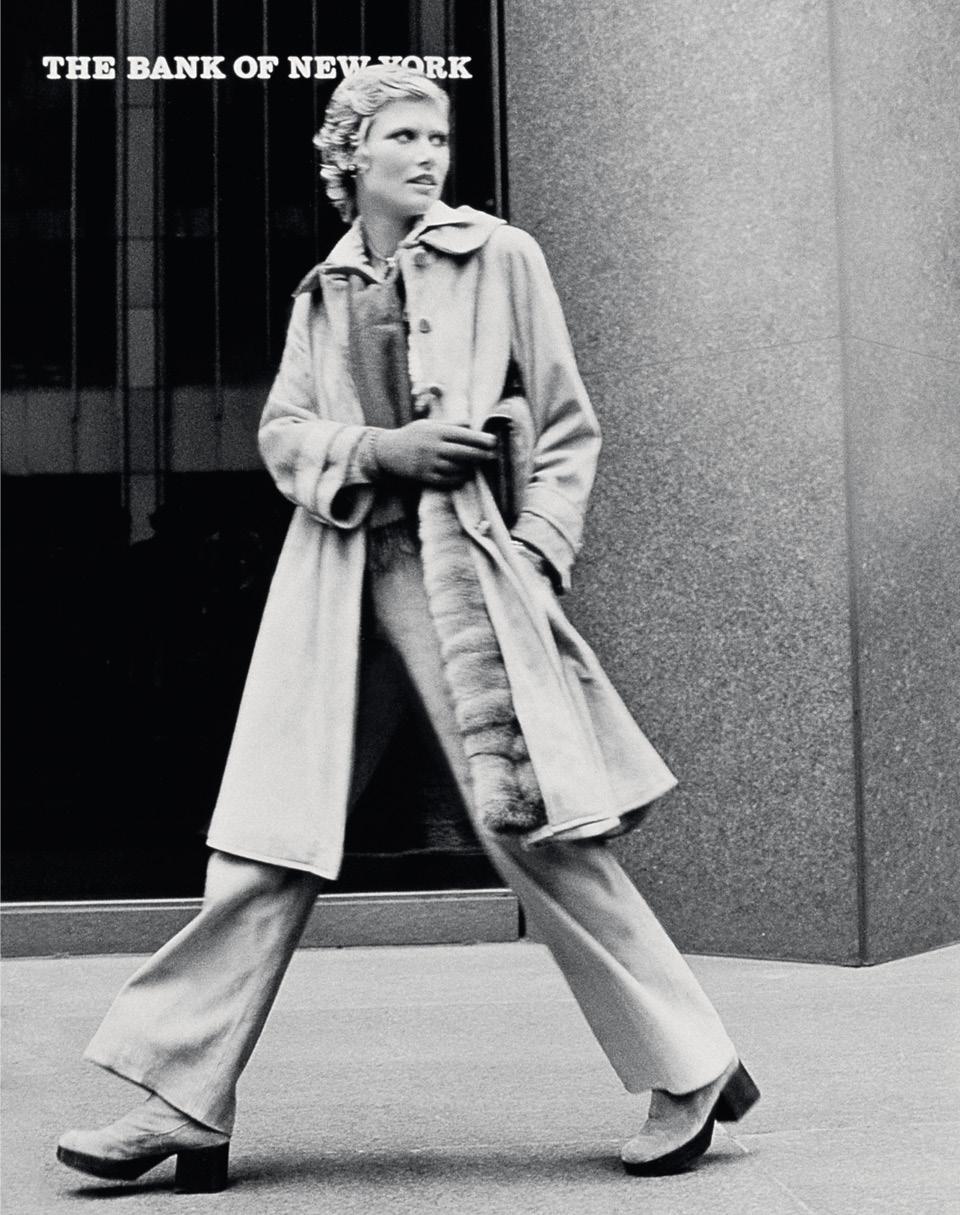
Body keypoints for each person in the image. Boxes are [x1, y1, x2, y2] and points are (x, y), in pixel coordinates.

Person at [57, 65, 758, 1193]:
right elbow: (285, 434)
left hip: (461, 583)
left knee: (531, 830)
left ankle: (690, 1064)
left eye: (439, 135)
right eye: (404, 136)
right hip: (337, 586)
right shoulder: (323, 289)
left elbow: (568, 426)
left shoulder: (502, 256)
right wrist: (381, 452)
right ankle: (184, 1096)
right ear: (351, 157)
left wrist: (538, 552)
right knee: (266, 845)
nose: (430, 154)